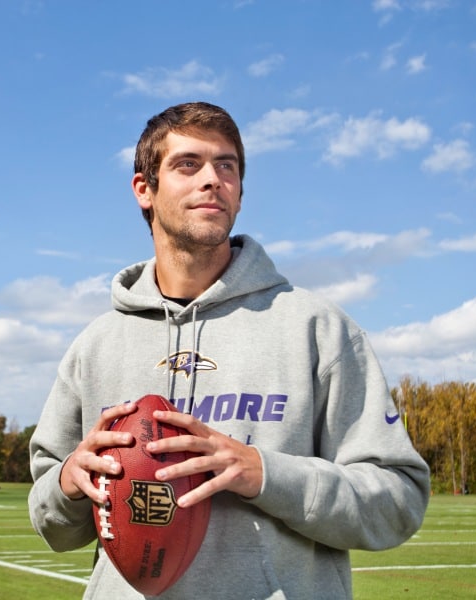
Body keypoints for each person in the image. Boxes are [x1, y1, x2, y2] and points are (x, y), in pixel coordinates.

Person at [28, 101, 430, 599]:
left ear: (239, 192)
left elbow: (399, 502)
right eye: (187, 164)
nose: (212, 179)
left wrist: (265, 472)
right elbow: (54, 525)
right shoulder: (96, 344)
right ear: (143, 190)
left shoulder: (317, 328)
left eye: (227, 166)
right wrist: (70, 480)